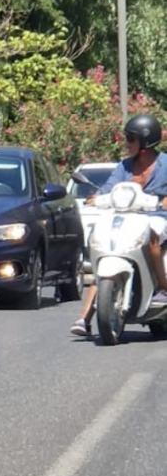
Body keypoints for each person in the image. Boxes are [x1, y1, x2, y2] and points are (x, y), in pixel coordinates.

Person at [71, 114, 167, 336]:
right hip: (128, 217)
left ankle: (163, 287)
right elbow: (109, 187)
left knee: (153, 235)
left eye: (130, 139)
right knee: (106, 249)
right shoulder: (124, 166)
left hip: (159, 216)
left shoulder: (165, 164)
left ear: (145, 142)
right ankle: (84, 317)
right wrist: (96, 196)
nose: (127, 143)